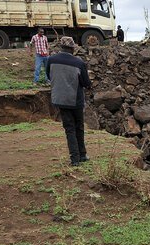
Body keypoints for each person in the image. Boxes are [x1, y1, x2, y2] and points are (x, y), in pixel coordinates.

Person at [47, 37, 92, 166]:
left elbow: (49, 76)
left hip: (60, 99)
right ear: (72, 49)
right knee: (79, 127)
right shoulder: (78, 63)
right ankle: (82, 155)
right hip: (75, 99)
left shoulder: (51, 60)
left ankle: (74, 159)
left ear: (61, 47)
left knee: (69, 129)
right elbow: (86, 83)